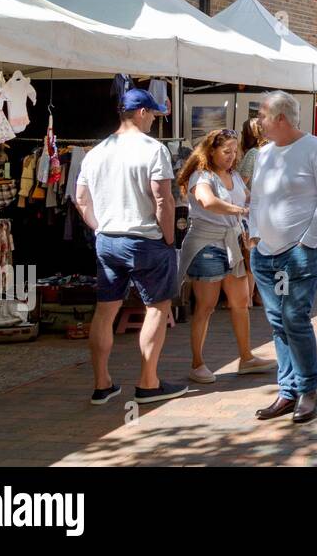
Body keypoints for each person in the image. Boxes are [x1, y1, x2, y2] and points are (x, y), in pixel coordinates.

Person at [74, 88, 185, 406]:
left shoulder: (95, 152)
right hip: (146, 239)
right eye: (153, 114)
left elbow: (81, 199)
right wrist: (168, 239)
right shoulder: (153, 149)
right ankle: (148, 383)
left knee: (105, 311)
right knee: (156, 308)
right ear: (141, 113)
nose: (153, 120)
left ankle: (102, 384)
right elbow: (163, 198)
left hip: (109, 240)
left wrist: (100, 229)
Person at [247, 91, 317, 424]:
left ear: (281, 118)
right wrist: (254, 235)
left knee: (295, 319)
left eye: (262, 114)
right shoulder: (264, 154)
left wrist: (308, 243)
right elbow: (256, 199)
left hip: (299, 253)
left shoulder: (316, 148)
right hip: (266, 254)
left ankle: (307, 388)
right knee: (277, 323)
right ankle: (287, 391)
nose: (258, 121)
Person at [175, 129, 274, 385]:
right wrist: (242, 209)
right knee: (206, 307)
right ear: (211, 151)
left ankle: (246, 357)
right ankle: (197, 364)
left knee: (241, 302)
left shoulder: (233, 176)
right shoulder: (201, 175)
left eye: (234, 151)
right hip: (207, 244)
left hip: (232, 243)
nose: (232, 156)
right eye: (226, 151)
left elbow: (250, 198)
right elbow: (207, 202)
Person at [238, 117, 265, 186]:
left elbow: (242, 184)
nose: (241, 133)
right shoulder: (264, 150)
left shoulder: (252, 153)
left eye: (243, 132)